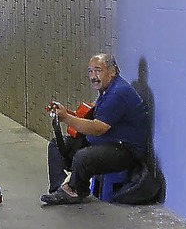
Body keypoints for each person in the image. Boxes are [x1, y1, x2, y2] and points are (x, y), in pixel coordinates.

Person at [41, 53, 148, 205]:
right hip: (107, 143)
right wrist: (66, 113)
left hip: (126, 151)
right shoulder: (108, 90)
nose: (93, 76)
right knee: (56, 145)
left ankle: (76, 190)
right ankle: (62, 189)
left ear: (112, 71)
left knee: (83, 156)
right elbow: (91, 120)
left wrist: (65, 118)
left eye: (98, 70)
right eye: (90, 71)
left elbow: (98, 128)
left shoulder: (118, 93)